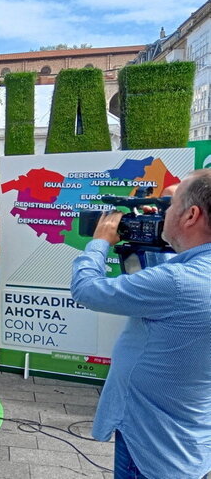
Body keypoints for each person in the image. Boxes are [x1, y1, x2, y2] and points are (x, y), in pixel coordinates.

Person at [71, 169, 211, 479]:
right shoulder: (185, 274)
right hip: (191, 440)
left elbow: (87, 289)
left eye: (169, 205)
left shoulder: (177, 281)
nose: (163, 213)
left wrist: (99, 242)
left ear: (190, 215)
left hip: (152, 445)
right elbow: (154, 288)